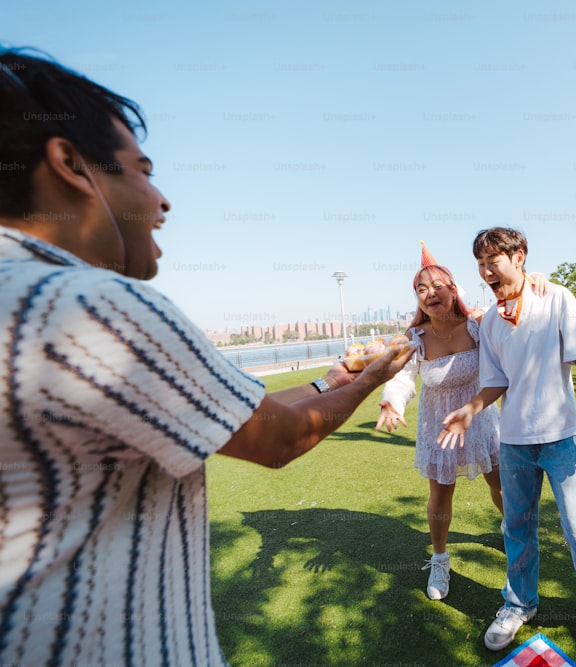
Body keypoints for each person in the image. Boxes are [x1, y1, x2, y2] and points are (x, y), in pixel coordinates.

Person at [0, 47, 413, 667]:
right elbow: (273, 439)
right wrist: (368, 382)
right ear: (70, 165)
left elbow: (243, 411)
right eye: (142, 170)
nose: (161, 200)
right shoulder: (91, 305)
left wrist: (333, 383)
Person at [438, 227, 576, 663]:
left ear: (518, 257)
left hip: (563, 438)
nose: (486, 271)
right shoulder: (489, 323)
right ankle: (519, 603)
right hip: (515, 444)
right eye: (480, 264)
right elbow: (495, 382)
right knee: (517, 530)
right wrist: (469, 410)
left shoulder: (557, 297)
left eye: (493, 261)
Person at [376, 243, 548, 601]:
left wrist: (531, 283)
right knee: (440, 495)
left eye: (437, 285)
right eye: (421, 289)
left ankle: (513, 533)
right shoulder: (416, 338)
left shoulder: (479, 324)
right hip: (438, 430)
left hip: (482, 420)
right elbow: (404, 379)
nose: (429, 294)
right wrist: (392, 403)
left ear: (454, 290)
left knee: (501, 486)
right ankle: (440, 560)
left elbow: (520, 317)